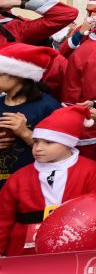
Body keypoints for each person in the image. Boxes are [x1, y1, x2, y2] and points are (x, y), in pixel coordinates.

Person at [0, 105, 96, 255]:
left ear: (68, 144)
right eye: (36, 141)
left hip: (75, 250)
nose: (38, 148)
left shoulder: (89, 170)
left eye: (48, 142)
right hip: (24, 253)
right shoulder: (19, 177)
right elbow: (3, 219)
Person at [0, 44, 61, 188]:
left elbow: (60, 154)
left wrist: (25, 133)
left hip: (31, 186)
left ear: (18, 75)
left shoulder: (48, 106)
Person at [0, 0, 79, 49]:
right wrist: (16, 3)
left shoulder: (15, 27)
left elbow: (67, 13)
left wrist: (16, 3)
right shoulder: (15, 29)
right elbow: (68, 13)